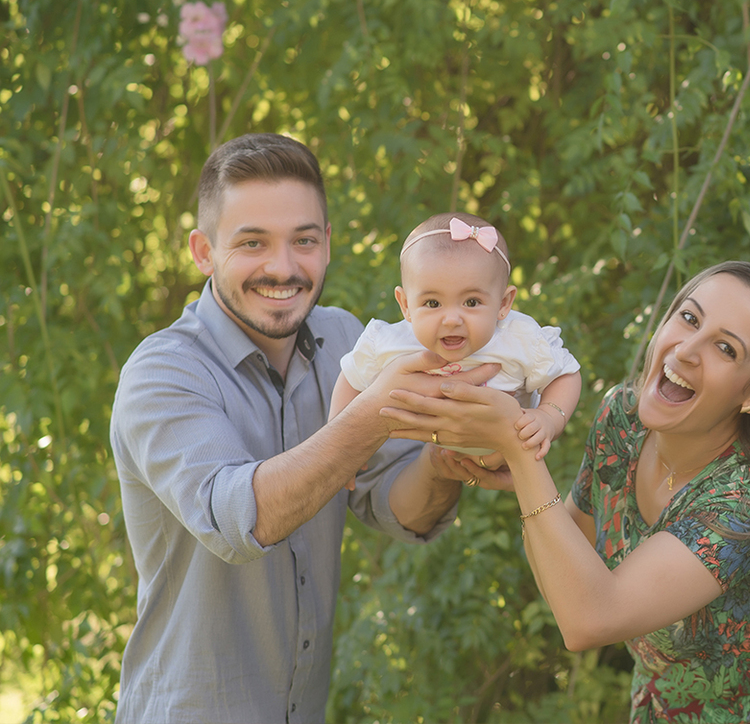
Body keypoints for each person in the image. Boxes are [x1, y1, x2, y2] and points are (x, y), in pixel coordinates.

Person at [109, 133, 496, 723]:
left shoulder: (347, 342)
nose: (283, 267)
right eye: (252, 243)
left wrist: (442, 464)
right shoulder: (162, 373)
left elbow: (397, 507)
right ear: (203, 251)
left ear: (328, 244)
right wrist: (374, 416)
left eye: (304, 241)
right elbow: (240, 517)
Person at [384, 261, 750, 722]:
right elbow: (564, 588)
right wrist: (521, 465)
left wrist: (517, 448)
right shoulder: (622, 421)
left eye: (725, 348)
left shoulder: (748, 503)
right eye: (689, 318)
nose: (687, 351)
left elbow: (587, 621)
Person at [330, 211, 581, 463]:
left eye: (471, 302)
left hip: (511, 451)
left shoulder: (519, 338)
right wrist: (341, 448)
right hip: (437, 455)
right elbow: (351, 378)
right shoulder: (388, 343)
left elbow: (565, 374)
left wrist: (549, 417)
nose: (451, 319)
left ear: (504, 303)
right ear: (405, 305)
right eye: (432, 302)